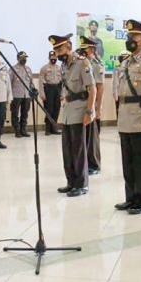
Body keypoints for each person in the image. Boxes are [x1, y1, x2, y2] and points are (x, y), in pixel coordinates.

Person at [114, 20, 141, 215]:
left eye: (133, 37)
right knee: (128, 162)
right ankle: (130, 197)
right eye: (129, 37)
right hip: (125, 116)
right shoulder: (125, 62)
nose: (129, 40)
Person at [52, 33, 96, 197]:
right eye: (55, 50)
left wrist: (89, 111)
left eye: (60, 48)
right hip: (68, 110)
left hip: (80, 109)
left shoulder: (82, 62)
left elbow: (92, 89)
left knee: (78, 149)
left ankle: (81, 184)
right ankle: (71, 182)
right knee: (67, 149)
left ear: (69, 46)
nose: (58, 53)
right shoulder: (64, 65)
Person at [78, 36, 104, 175]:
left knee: (92, 137)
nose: (83, 50)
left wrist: (98, 107)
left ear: (92, 49)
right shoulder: (82, 63)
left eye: (85, 48)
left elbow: (100, 87)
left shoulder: (96, 64)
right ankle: (86, 163)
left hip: (92, 104)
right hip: (83, 103)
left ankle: (94, 165)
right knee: (85, 136)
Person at [38, 51, 62, 135]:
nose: (53, 60)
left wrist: (62, 94)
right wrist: (42, 93)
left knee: (56, 109)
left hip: (57, 89)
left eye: (55, 58)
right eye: (52, 58)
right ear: (49, 58)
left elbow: (62, 82)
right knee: (49, 109)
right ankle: (47, 129)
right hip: (48, 90)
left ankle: (54, 128)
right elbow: (41, 82)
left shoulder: (59, 68)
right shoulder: (44, 68)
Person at [10, 51, 33, 138]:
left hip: (26, 95)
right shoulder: (13, 69)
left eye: (25, 58)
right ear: (18, 58)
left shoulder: (28, 69)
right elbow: (10, 82)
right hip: (16, 95)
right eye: (22, 57)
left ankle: (23, 129)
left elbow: (30, 83)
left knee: (25, 113)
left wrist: (32, 92)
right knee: (15, 113)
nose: (24, 59)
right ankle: (17, 130)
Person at [112, 52, 131, 120]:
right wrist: (116, 95)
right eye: (123, 57)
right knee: (120, 111)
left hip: (130, 94)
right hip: (120, 94)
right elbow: (115, 83)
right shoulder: (117, 68)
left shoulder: (132, 68)